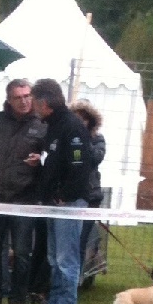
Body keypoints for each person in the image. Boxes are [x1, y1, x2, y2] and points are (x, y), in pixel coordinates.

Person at [0, 79, 46, 304]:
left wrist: (41, 163)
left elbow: (53, 159)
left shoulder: (41, 124)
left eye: (28, 96)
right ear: (9, 99)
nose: (25, 101)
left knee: (23, 251)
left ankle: (18, 299)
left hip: (24, 197)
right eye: (19, 97)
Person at [31, 79, 91, 304]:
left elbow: (79, 165)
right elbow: (56, 159)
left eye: (35, 102)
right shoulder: (53, 126)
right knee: (53, 256)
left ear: (45, 103)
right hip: (53, 201)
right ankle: (54, 302)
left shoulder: (73, 127)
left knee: (67, 258)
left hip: (69, 202)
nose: (33, 107)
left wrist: (65, 195)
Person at [70, 99, 106, 279]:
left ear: (90, 121)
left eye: (83, 119)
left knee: (80, 241)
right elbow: (74, 161)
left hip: (90, 197)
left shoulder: (98, 139)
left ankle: (77, 279)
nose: (80, 122)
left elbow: (94, 159)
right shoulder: (68, 140)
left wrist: (83, 140)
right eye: (76, 119)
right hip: (70, 196)